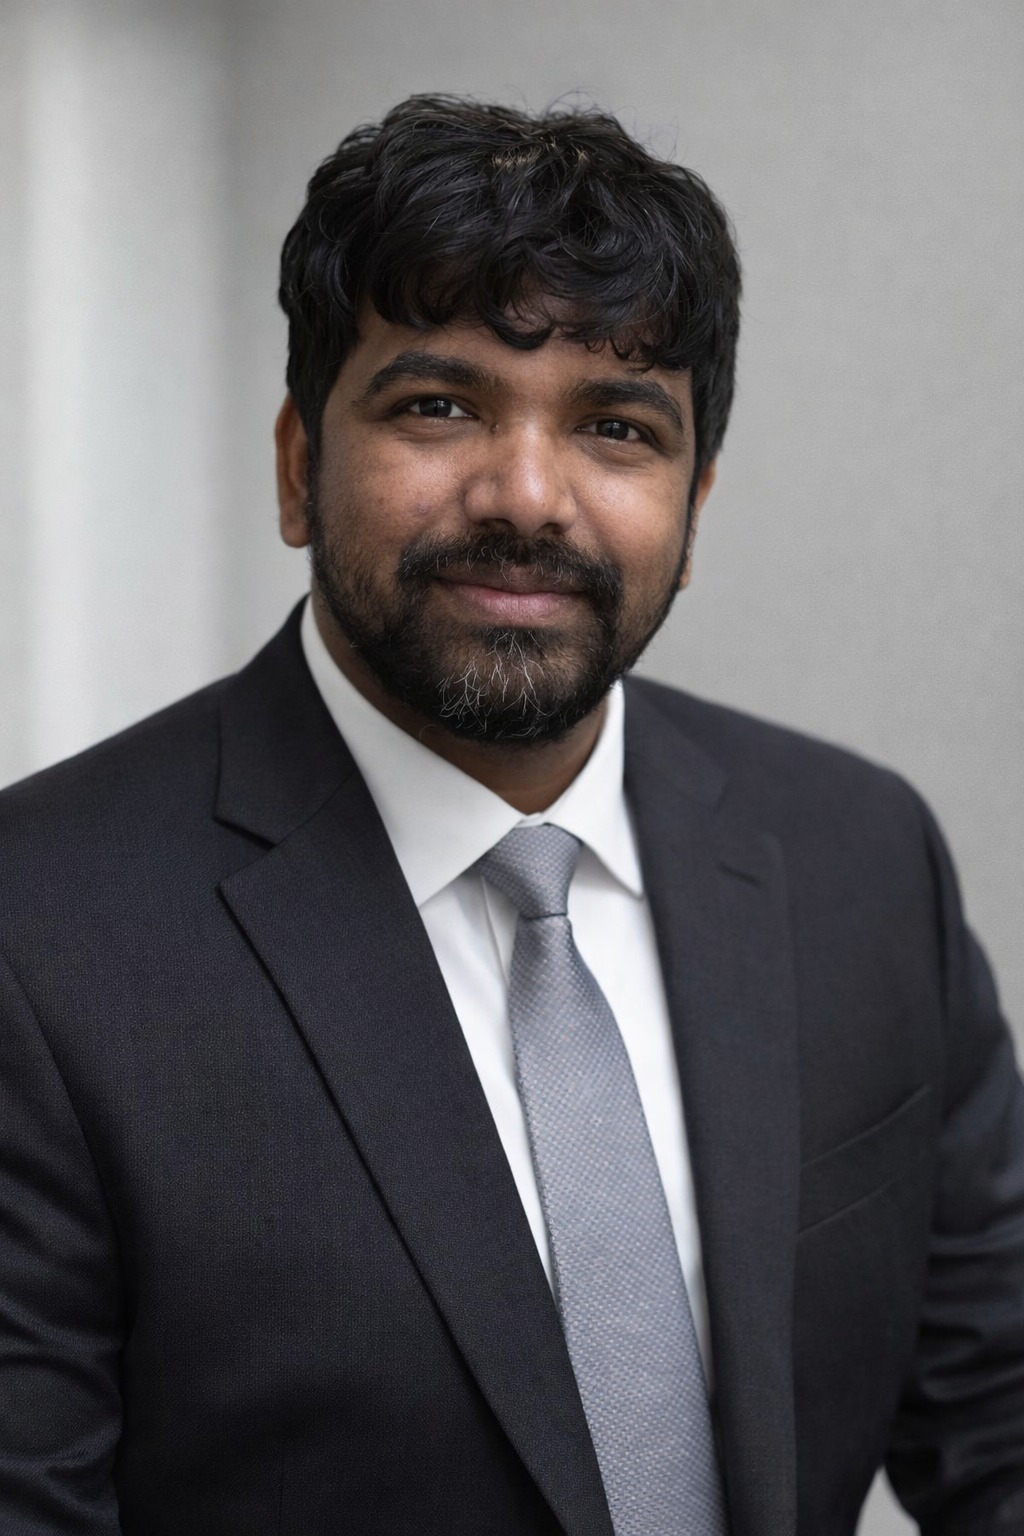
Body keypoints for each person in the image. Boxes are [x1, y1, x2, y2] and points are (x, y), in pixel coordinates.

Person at [1, 94, 1022, 1536]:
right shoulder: (38, 938)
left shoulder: (859, 856)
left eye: (615, 426)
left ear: (694, 505)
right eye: (439, 406)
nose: (527, 496)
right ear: (298, 466)